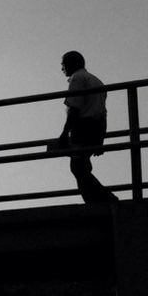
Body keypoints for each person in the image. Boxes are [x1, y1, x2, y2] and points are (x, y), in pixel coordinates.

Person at [55, 51, 118, 204]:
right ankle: (99, 199)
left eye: (63, 63)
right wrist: (101, 138)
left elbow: (75, 109)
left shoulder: (77, 79)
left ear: (72, 63)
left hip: (82, 128)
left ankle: (101, 200)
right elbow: (102, 111)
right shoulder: (97, 80)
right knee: (82, 165)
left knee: (77, 166)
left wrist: (64, 133)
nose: (62, 67)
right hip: (97, 127)